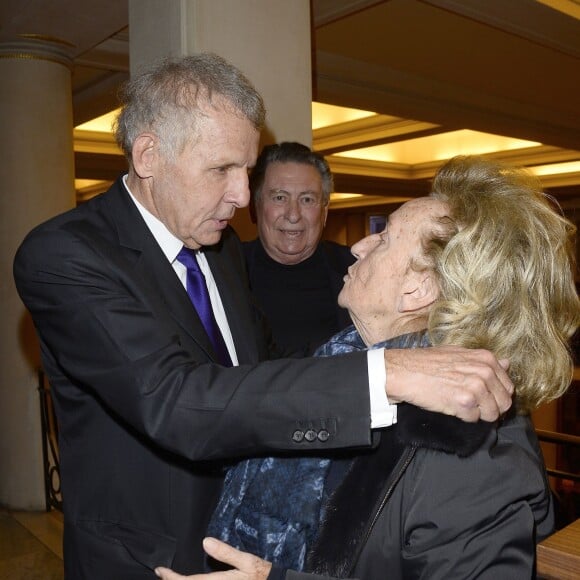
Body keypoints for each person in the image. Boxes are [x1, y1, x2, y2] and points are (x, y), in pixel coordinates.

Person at [13, 53, 513, 580]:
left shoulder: (221, 246)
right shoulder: (64, 255)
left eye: (247, 170)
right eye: (222, 169)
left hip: (248, 552)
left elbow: (260, 369)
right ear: (149, 155)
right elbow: (175, 400)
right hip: (146, 559)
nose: (240, 195)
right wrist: (385, 373)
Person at [155, 156, 580, 580]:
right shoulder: (344, 359)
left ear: (419, 289)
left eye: (385, 237)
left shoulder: (472, 448)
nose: (359, 245)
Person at [244, 142, 354, 354]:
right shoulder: (225, 273)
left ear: (324, 212)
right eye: (279, 198)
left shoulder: (357, 270)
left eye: (307, 199)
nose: (293, 214)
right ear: (255, 207)